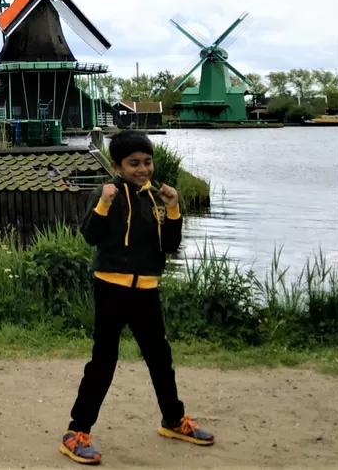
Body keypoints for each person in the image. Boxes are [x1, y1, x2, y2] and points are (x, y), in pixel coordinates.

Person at [60, 130, 215, 464]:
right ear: (118, 165)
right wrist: (103, 204)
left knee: (160, 359)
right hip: (111, 289)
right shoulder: (108, 193)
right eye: (134, 163)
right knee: (103, 362)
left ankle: (173, 420)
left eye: (147, 162)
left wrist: (173, 209)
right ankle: (77, 432)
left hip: (146, 291)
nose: (142, 169)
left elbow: (170, 246)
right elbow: (90, 236)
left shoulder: (154, 198)